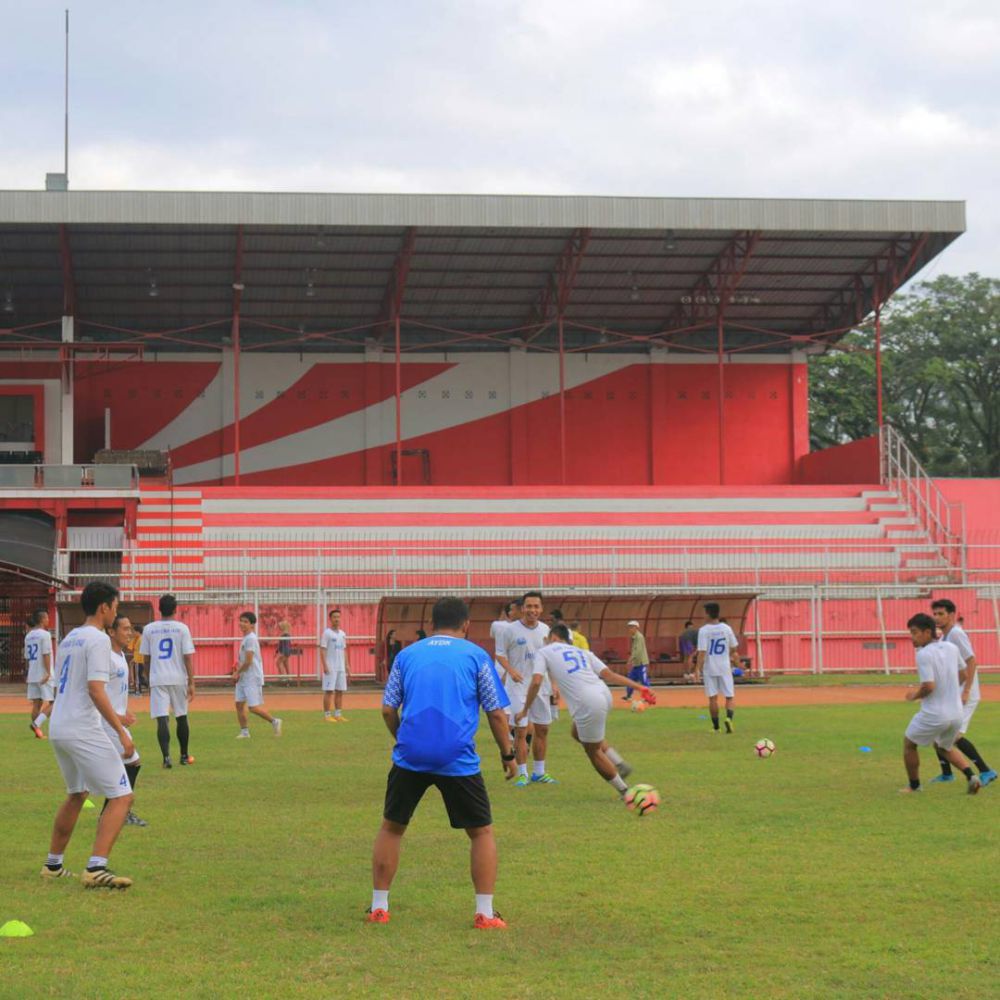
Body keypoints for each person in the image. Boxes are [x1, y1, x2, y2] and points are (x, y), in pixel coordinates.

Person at [368, 596, 516, 928]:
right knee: (481, 833)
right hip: (457, 757)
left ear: (433, 623)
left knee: (392, 827)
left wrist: (402, 739)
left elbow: (388, 709)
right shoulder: (476, 656)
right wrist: (508, 754)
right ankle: (485, 913)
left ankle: (379, 908)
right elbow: (495, 712)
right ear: (466, 624)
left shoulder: (407, 655)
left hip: (410, 755)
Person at [41, 581, 135, 889]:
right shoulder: (98, 640)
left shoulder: (69, 638)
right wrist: (121, 731)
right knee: (122, 795)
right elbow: (96, 689)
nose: (115, 613)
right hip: (82, 727)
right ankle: (96, 867)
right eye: (115, 608)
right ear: (104, 607)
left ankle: (53, 865)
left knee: (77, 793)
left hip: (59, 727)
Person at [519, 625, 653, 800]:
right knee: (577, 732)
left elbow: (536, 682)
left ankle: (625, 791)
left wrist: (525, 709)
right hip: (604, 694)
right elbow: (609, 675)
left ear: (552, 637)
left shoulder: (545, 651)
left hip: (588, 702)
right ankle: (619, 763)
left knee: (593, 751)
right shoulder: (582, 652)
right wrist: (640, 687)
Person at [901, 613, 981, 795]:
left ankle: (914, 786)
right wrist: (950, 691)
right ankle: (971, 777)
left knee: (909, 744)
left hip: (935, 713)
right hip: (956, 713)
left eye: (914, 632)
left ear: (927, 632)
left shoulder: (923, 654)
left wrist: (914, 695)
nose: (911, 637)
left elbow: (928, 686)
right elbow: (964, 675)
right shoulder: (951, 648)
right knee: (943, 747)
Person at [929, 600, 995, 786]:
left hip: (966, 693)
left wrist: (966, 691)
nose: (937, 617)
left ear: (951, 614)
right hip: (955, 692)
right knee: (937, 734)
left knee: (954, 735)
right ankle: (947, 774)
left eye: (941, 613)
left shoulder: (957, 634)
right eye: (935, 613)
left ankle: (986, 771)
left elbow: (972, 661)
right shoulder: (945, 637)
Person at [495, 591, 557, 787]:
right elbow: (500, 655)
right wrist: (511, 671)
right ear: (522, 608)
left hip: (541, 685)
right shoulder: (509, 630)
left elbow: (552, 658)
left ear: (541, 609)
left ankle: (539, 772)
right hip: (518, 687)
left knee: (543, 729)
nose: (532, 610)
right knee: (521, 731)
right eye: (529, 606)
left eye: (536, 606)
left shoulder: (546, 630)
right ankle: (523, 773)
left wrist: (554, 684)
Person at [139, 594, 196, 768]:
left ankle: (166, 758)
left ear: (159, 608)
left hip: (158, 677)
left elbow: (146, 657)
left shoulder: (149, 629)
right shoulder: (182, 628)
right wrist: (191, 681)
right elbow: (187, 657)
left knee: (161, 718)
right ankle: (184, 755)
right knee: (181, 716)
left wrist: (149, 677)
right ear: (175, 609)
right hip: (178, 678)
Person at [103, 615, 147, 827]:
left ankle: (111, 812)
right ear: (112, 632)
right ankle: (120, 812)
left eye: (131, 629)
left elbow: (115, 692)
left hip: (116, 720)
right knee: (131, 762)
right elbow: (97, 694)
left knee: (122, 766)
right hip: (108, 722)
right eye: (125, 629)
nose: (129, 633)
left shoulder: (120, 655)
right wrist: (117, 716)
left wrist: (125, 710)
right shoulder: (106, 658)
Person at [233, 611, 282, 738]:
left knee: (253, 707)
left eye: (245, 622)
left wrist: (237, 672)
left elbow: (249, 661)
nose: (242, 624)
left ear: (252, 625)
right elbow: (244, 660)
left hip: (252, 677)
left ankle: (274, 721)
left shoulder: (251, 639)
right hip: (243, 677)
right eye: (241, 621)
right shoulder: (245, 638)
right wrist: (237, 668)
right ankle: (244, 732)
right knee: (239, 704)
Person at [696, 603, 739, 733]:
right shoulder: (726, 628)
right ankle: (729, 719)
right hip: (724, 667)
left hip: (710, 668)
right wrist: (729, 654)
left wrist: (697, 668)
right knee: (729, 696)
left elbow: (702, 652)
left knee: (713, 698)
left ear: (708, 613)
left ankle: (716, 727)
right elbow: (734, 647)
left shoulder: (704, 630)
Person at [24, 608, 54, 739]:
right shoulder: (45, 635)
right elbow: (46, 654)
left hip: (32, 673)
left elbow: (27, 658)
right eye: (47, 618)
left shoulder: (28, 636)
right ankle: (37, 724)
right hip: (43, 674)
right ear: (42, 620)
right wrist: (48, 672)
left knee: (37, 703)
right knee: (54, 703)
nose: (48, 620)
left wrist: (28, 672)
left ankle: (38, 732)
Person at [320, 608, 350, 722]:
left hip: (341, 667)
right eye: (334, 617)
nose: (337, 619)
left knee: (340, 690)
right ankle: (327, 715)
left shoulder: (342, 634)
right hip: (331, 667)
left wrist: (347, 665)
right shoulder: (327, 633)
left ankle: (338, 714)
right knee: (329, 691)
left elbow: (344, 650)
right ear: (330, 619)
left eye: (338, 617)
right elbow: (322, 650)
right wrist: (325, 665)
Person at [622, 620, 650, 702]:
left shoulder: (639, 637)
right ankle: (628, 696)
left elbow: (637, 651)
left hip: (641, 663)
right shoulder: (634, 637)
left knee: (644, 681)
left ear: (637, 628)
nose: (630, 629)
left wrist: (630, 659)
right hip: (636, 664)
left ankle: (647, 697)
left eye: (632, 627)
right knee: (630, 680)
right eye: (629, 627)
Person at [275, 620, 293, 686]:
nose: (279, 628)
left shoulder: (284, 634)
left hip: (284, 651)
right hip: (287, 651)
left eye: (280, 627)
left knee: (278, 663)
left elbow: (282, 645)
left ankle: (283, 677)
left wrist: (280, 652)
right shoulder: (287, 634)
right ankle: (289, 678)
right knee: (286, 664)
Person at [130, 624, 146, 695]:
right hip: (138, 659)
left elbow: (140, 651)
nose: (133, 633)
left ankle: (138, 691)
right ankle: (139, 689)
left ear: (138, 632)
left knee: (138, 677)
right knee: (139, 676)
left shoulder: (140, 639)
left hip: (138, 660)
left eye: (134, 631)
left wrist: (135, 659)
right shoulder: (138, 639)